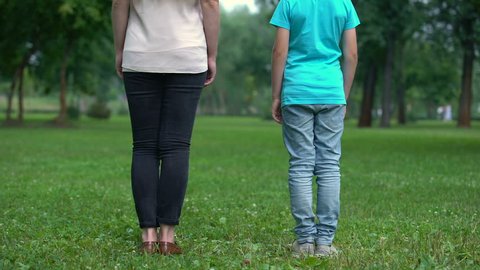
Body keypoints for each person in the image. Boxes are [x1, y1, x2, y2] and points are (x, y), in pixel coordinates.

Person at [112, 0, 220, 255]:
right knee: (177, 147)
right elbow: (210, 4)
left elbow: (119, 3)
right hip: (187, 54)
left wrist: (120, 50)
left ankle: (148, 236)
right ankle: (167, 237)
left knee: (144, 146)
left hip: (139, 54)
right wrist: (212, 54)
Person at [270, 0, 360, 257]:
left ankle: (305, 241)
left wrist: (276, 95)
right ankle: (325, 243)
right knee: (330, 165)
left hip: (297, 90)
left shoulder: (289, 2)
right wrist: (343, 95)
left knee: (301, 163)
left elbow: (279, 52)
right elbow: (352, 54)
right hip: (331, 90)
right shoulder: (344, 4)